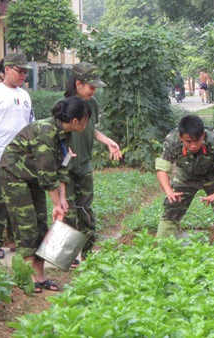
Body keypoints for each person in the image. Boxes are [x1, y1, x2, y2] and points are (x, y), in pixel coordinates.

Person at [0, 97, 91, 292]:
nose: (87, 124)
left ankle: (40, 277)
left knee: (41, 224)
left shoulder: (65, 135)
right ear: (75, 121)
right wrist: (57, 205)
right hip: (14, 175)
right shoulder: (46, 132)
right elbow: (48, 176)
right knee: (27, 224)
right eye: (86, 119)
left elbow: (62, 168)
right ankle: (27, 277)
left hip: (33, 178)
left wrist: (63, 200)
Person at [61, 62, 122, 266]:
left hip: (84, 165)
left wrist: (108, 142)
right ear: (78, 84)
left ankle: (87, 252)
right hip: (66, 168)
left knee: (85, 211)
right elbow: (56, 135)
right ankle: (67, 256)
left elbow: (91, 130)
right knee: (67, 212)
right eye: (91, 86)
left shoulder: (92, 104)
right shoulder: (64, 105)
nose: (94, 91)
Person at [156, 114, 214, 239]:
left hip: (213, 174)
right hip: (186, 175)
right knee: (172, 207)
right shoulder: (172, 140)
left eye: (197, 141)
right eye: (188, 142)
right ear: (180, 138)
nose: (193, 146)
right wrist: (168, 191)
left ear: (203, 135)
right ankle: (160, 248)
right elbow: (162, 167)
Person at [0, 53, 33, 259]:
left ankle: (15, 239)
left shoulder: (25, 95)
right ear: (7, 69)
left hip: (21, 158)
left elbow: (30, 126)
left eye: (25, 72)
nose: (23, 75)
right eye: (19, 71)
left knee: (18, 200)